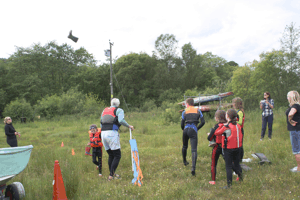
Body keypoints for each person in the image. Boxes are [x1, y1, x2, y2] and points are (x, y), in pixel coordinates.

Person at [100, 98, 134, 181]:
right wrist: (129, 126)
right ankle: (111, 176)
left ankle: (112, 173)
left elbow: (101, 121)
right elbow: (121, 120)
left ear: (111, 103)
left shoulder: (104, 110)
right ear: (118, 104)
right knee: (117, 155)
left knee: (111, 155)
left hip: (103, 133)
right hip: (112, 133)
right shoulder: (119, 110)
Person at [214, 109, 243, 189]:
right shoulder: (238, 125)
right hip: (238, 148)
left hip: (228, 149)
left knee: (228, 167)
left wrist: (223, 126)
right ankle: (240, 177)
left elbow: (217, 133)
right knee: (237, 164)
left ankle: (229, 185)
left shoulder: (226, 126)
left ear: (227, 117)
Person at [181, 98, 205, 176]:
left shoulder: (184, 111)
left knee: (184, 146)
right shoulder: (198, 111)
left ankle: (185, 161)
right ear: (193, 103)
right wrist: (197, 128)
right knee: (194, 149)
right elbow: (203, 122)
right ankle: (193, 168)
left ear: (187, 104)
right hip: (193, 129)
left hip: (186, 129)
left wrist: (183, 129)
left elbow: (182, 124)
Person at [207, 110, 226, 185]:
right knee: (229, 162)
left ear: (217, 118)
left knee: (213, 163)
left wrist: (209, 134)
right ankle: (238, 175)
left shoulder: (216, 126)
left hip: (217, 146)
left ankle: (213, 180)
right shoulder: (227, 125)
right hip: (226, 147)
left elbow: (209, 138)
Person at [286, 91, 300, 172]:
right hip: (298, 129)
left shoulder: (295, 106)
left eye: (288, 96)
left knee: (296, 150)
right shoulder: (298, 105)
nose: (287, 98)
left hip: (295, 130)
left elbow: (290, 114)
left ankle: (299, 169)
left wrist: (290, 120)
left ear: (291, 98)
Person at [232, 97, 245, 162]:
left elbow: (240, 122)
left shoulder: (240, 112)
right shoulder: (237, 111)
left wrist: (232, 122)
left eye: (234, 103)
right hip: (237, 130)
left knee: (240, 145)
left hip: (240, 130)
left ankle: (240, 159)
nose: (233, 104)